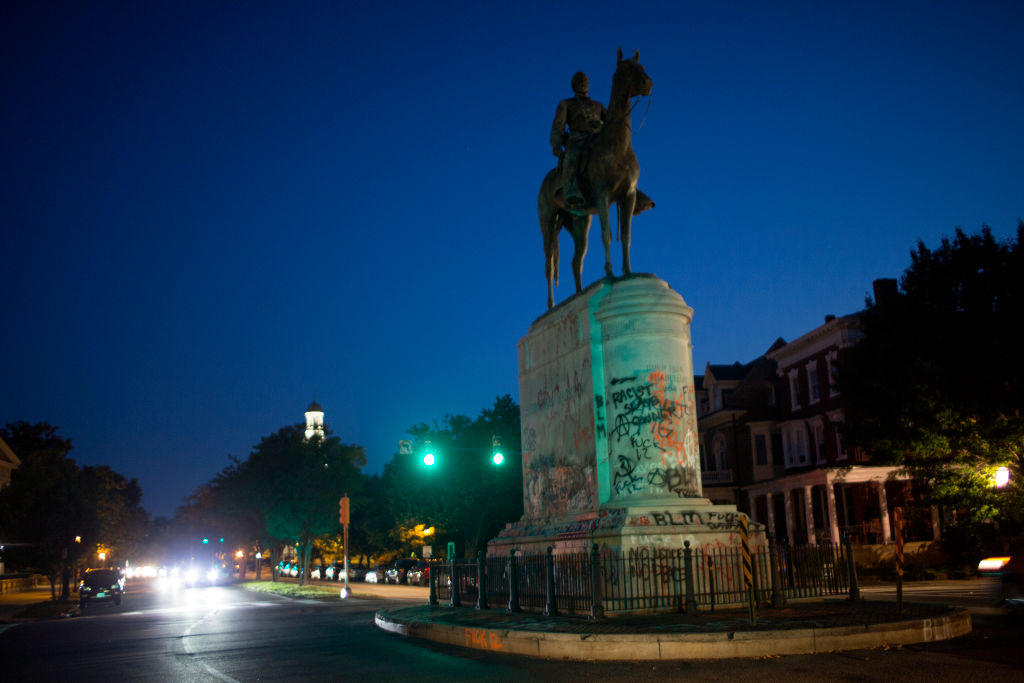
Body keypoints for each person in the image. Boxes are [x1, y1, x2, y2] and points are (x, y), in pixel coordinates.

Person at [550, 71, 606, 209]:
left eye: (585, 80)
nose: (583, 83)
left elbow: (612, 123)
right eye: (579, 81)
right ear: (573, 85)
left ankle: (630, 190)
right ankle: (572, 190)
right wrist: (557, 145)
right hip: (577, 138)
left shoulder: (598, 105)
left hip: (598, 138)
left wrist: (602, 125)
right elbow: (558, 127)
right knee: (573, 155)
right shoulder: (566, 104)